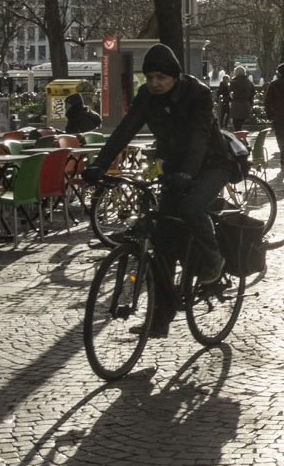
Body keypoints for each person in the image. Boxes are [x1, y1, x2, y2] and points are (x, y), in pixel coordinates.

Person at [84, 43, 236, 337]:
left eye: (160, 78)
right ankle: (159, 321)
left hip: (211, 164)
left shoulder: (198, 94)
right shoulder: (146, 97)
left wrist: (189, 173)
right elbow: (125, 129)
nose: (154, 83)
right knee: (163, 245)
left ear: (174, 77)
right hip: (174, 169)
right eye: (150, 77)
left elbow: (199, 135)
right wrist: (100, 165)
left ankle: (214, 257)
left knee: (192, 208)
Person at [227, 66, 256, 132]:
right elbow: (252, 93)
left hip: (236, 105)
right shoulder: (248, 82)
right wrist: (251, 103)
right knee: (241, 122)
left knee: (236, 125)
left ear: (235, 73)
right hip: (245, 104)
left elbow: (228, 93)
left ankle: (238, 138)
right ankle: (242, 137)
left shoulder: (233, 82)